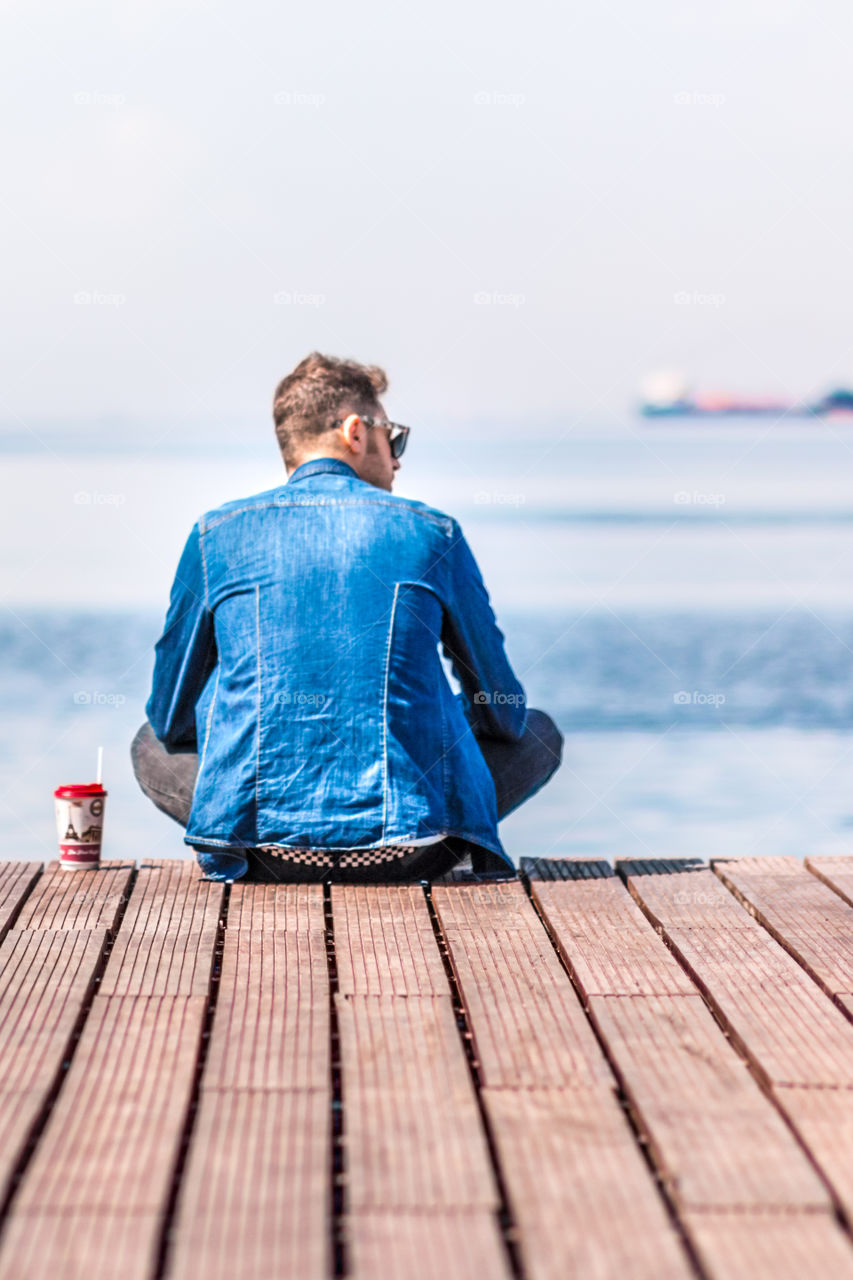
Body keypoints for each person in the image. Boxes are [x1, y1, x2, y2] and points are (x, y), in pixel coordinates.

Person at [131, 353, 563, 882]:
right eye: (394, 437)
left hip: (260, 852)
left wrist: (239, 723)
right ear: (356, 432)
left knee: (147, 744)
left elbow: (169, 717)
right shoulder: (433, 532)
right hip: (414, 848)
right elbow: (505, 713)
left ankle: (254, 821)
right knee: (541, 733)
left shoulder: (215, 533)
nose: (398, 458)